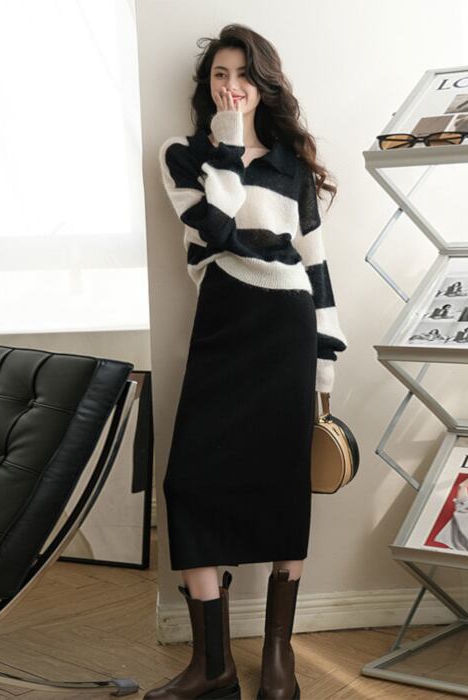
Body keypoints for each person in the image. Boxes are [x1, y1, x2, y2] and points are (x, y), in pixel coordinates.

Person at [153, 23, 348, 700]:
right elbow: (215, 229)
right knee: (189, 486)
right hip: (223, 323)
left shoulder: (292, 165)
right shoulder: (184, 155)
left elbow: (316, 264)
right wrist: (230, 143)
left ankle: (277, 659)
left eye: (242, 75)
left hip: (286, 329)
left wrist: (325, 361)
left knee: (283, 486)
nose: (231, 87)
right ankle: (213, 666)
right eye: (219, 75)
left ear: (264, 84)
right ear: (207, 84)